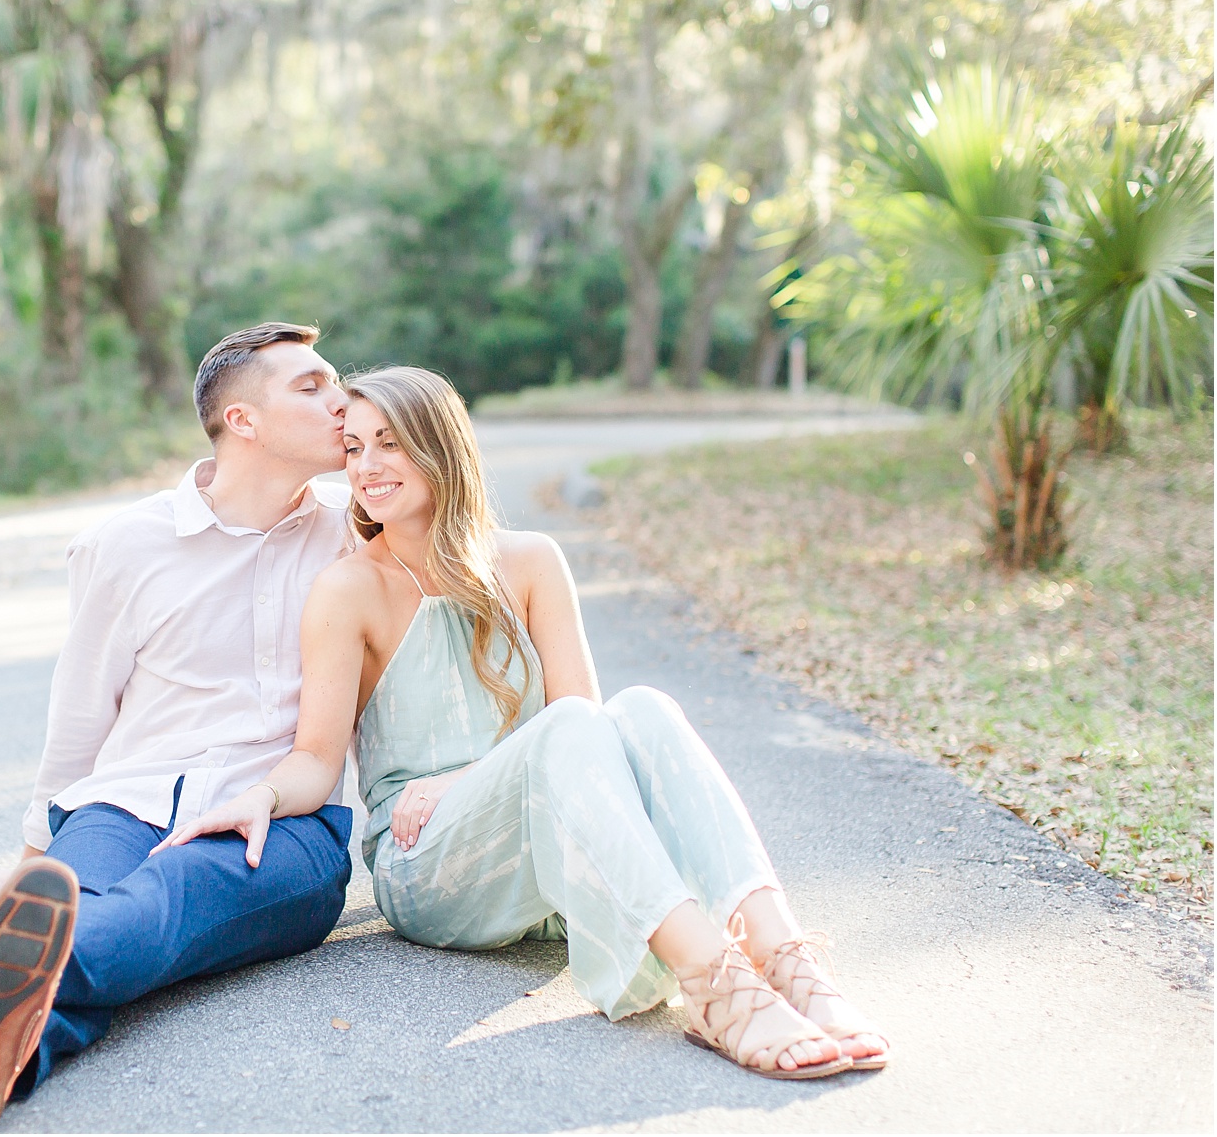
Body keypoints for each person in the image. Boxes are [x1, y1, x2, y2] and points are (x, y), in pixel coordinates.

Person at [160, 365, 890, 1081]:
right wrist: (262, 795)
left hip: (548, 842)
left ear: (442, 446)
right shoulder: (349, 588)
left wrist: (461, 780)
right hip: (432, 864)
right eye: (354, 448)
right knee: (582, 724)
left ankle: (783, 954)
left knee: (642, 710)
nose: (367, 467)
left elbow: (584, 727)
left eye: (391, 443)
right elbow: (317, 758)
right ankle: (713, 982)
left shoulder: (533, 561)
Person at [0, 322, 360, 1130]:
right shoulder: (126, 545)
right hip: (121, 802)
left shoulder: (357, 533)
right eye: (311, 386)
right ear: (243, 421)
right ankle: (3, 1053)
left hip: (286, 822)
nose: (340, 399)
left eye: (337, 381)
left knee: (171, 895)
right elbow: (80, 712)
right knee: (75, 899)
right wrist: (36, 856)